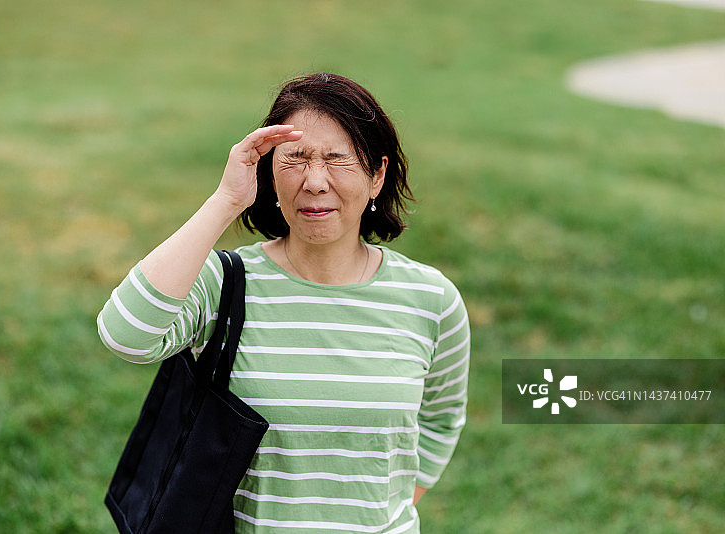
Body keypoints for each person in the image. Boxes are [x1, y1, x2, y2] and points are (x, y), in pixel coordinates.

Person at [97, 73, 470, 533]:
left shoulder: (431, 300)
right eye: (295, 159)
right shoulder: (227, 283)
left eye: (338, 160)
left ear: (377, 176)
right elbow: (126, 334)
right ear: (269, 173)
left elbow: (441, 417)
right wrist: (226, 200)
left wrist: (386, 511)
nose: (315, 182)